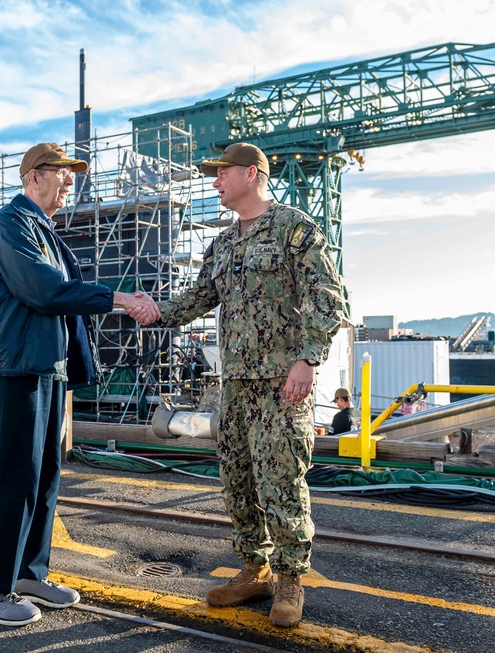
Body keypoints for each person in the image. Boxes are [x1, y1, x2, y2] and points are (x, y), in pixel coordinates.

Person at [131, 142, 346, 628]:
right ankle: (256, 567)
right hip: (236, 385)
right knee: (239, 481)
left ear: (252, 174)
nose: (214, 181)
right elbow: (201, 295)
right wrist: (156, 310)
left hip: (280, 383)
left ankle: (291, 578)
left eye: (221, 173)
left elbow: (329, 298)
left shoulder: (294, 229)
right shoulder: (224, 243)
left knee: (283, 480)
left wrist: (307, 361)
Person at [0, 142, 159, 627]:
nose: (72, 182)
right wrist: (120, 299)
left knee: (46, 471)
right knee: (17, 476)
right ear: (34, 178)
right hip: (16, 365)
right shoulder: (10, 224)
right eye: (63, 173)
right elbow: (45, 291)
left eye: (73, 174)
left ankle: (30, 573)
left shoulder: (42, 229)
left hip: (46, 364)